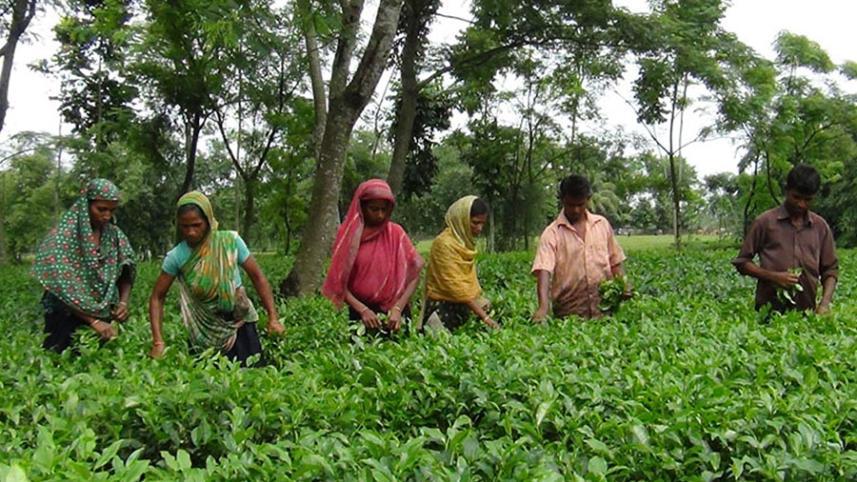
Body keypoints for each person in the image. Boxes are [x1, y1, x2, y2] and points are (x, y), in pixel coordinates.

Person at [148, 191, 284, 363]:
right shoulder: (176, 256)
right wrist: (158, 342)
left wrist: (273, 317)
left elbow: (258, 277)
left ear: (208, 221)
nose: (190, 232)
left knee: (251, 380)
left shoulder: (230, 242)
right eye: (184, 226)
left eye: (196, 225)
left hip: (240, 325)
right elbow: (157, 297)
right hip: (204, 332)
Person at [32, 178, 136, 352]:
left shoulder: (114, 235)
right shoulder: (63, 237)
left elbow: (127, 269)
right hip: (65, 315)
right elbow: (59, 288)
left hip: (103, 317)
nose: (107, 216)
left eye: (112, 210)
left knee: (99, 366)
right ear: (86, 205)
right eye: (101, 209)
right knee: (60, 362)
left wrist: (123, 303)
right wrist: (93, 321)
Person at [321, 179, 424, 334]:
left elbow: (414, 274)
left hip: (395, 315)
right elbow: (340, 283)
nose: (380, 215)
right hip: (362, 315)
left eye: (384, 209)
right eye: (373, 209)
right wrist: (362, 310)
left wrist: (397, 308)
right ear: (361, 207)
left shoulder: (396, 233)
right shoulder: (349, 239)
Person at [732, 164, 838, 314]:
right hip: (767, 313)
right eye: (796, 197)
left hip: (806, 314)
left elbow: (830, 270)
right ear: (786, 190)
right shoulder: (765, 222)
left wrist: (825, 304)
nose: (801, 204)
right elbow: (742, 263)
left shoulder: (820, 227)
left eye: (807, 200)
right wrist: (773, 276)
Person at [532, 175, 630, 321]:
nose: (576, 210)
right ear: (562, 200)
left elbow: (614, 260)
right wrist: (543, 307)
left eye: (581, 204)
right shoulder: (552, 233)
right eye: (571, 205)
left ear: (588, 199)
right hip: (568, 313)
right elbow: (544, 270)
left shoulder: (601, 224)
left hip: (604, 310)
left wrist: (623, 285)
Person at [421, 196, 499, 331]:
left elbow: (467, 286)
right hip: (441, 311)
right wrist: (485, 318)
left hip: (463, 308)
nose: (479, 228)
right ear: (461, 219)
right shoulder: (444, 244)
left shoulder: (465, 244)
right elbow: (457, 287)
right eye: (475, 223)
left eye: (482, 224)